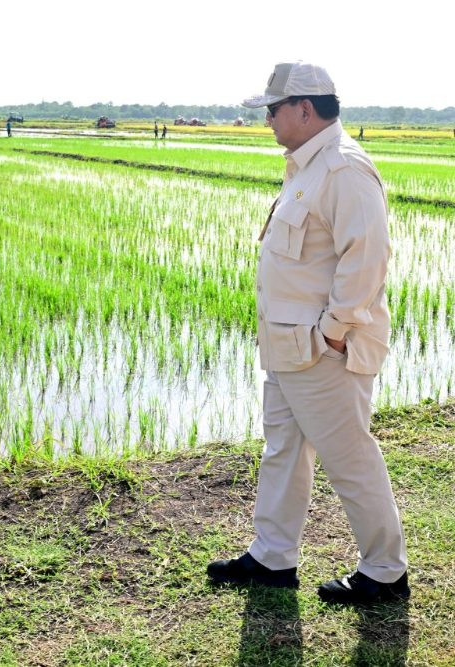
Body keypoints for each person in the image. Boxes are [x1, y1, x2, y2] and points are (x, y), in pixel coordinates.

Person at [206, 61, 409, 605]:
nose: (267, 120)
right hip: (287, 347)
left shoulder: (343, 169)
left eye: (273, 110)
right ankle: (273, 557)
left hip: (323, 352)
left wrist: (335, 333)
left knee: (349, 459)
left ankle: (386, 570)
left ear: (304, 109)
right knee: (283, 451)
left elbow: (366, 259)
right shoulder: (306, 167)